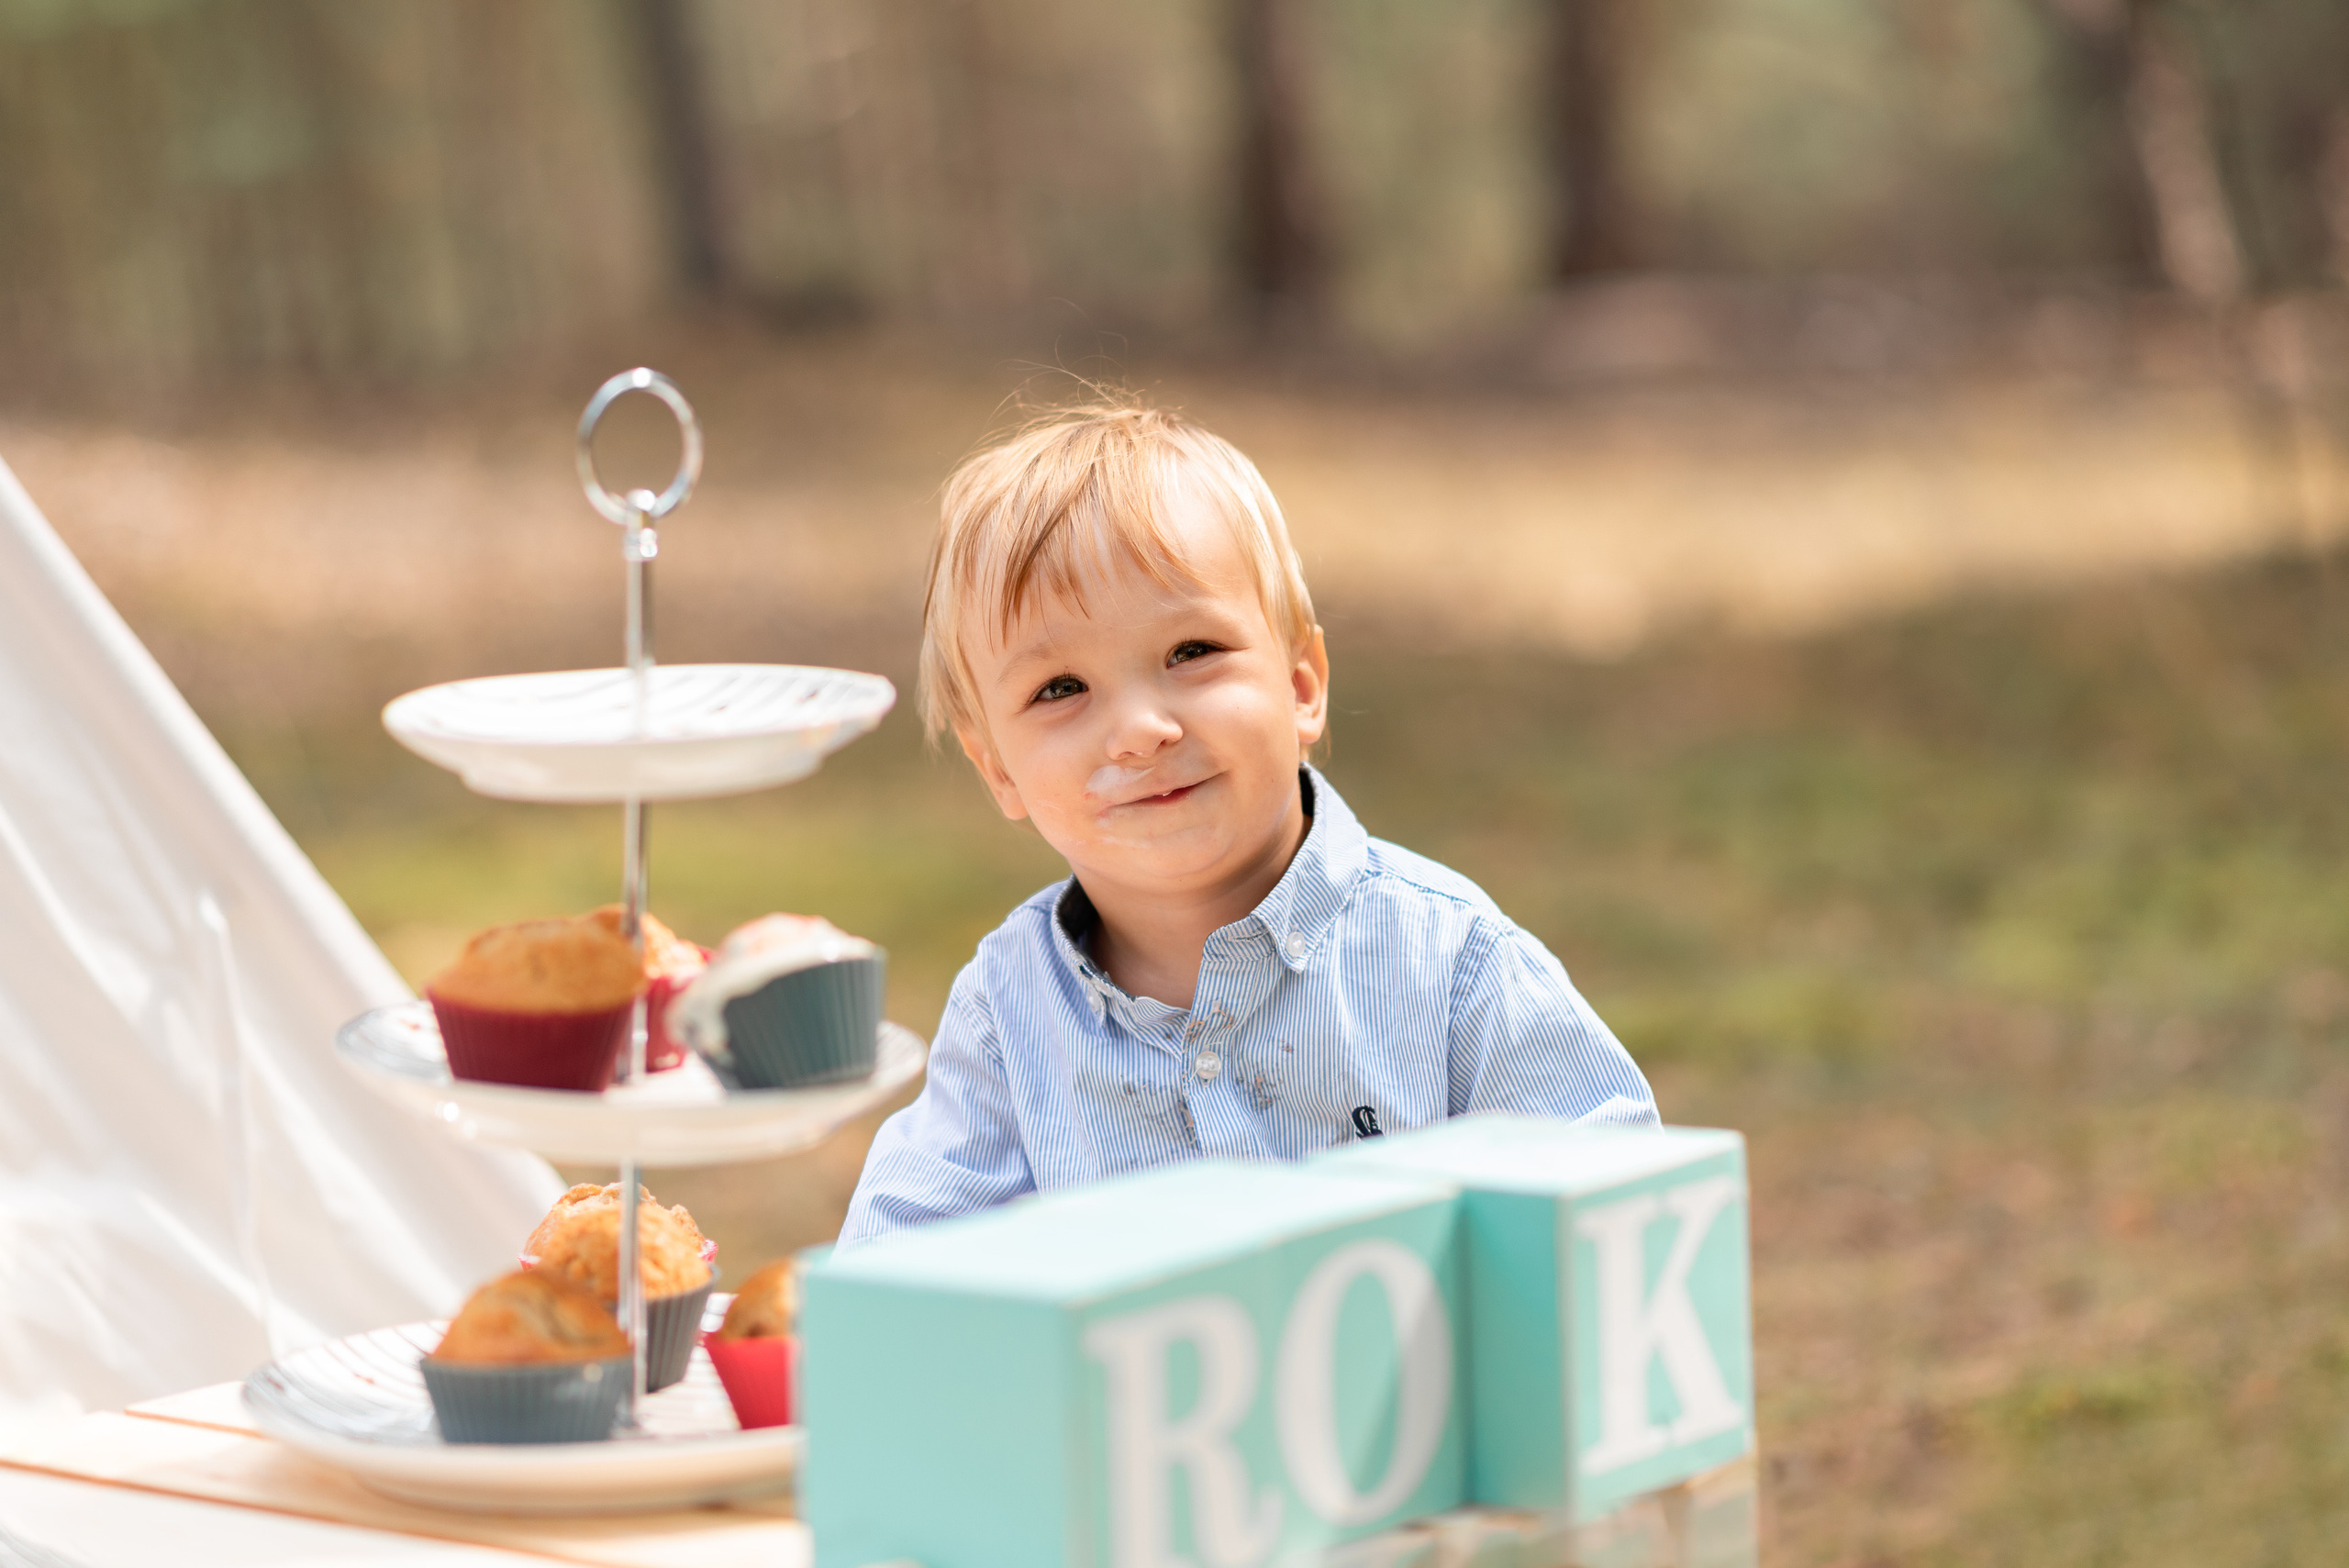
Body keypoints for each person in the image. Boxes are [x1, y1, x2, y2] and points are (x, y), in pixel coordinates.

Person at [837, 403, 1655, 1247]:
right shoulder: (1010, 1010)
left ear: (1301, 684)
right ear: (999, 769)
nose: (1139, 729)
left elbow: (1620, 1224)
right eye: (1060, 689)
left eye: (1190, 652)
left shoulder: (1449, 961)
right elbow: (898, 1275)